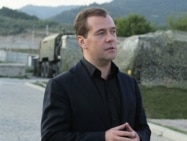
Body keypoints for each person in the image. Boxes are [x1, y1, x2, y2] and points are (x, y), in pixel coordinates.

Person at [41, 7, 151, 141]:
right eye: (101, 33)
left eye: (113, 31)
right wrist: (103, 137)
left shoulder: (129, 84)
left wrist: (138, 137)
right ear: (82, 42)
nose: (111, 38)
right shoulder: (61, 86)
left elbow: (144, 129)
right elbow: (51, 137)